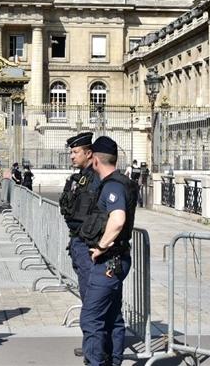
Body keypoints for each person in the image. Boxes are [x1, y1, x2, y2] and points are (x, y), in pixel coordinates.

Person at [78, 136, 138, 366]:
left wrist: (101, 246)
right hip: (117, 259)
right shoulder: (119, 182)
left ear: (95, 160)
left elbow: (118, 219)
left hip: (109, 261)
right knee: (113, 317)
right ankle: (113, 361)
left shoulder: (113, 185)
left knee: (91, 318)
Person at [57, 132, 99, 358]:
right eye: (71, 152)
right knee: (87, 295)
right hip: (77, 242)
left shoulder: (94, 178)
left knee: (91, 298)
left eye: (75, 152)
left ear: (88, 153)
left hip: (86, 243)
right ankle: (92, 345)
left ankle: (95, 350)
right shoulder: (80, 177)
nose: (71, 156)